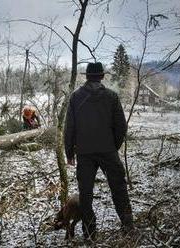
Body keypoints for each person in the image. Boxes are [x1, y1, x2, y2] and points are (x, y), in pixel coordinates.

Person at [64, 62, 134, 240]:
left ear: (86, 76)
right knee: (119, 188)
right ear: (102, 77)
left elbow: (69, 127)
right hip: (107, 150)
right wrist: (112, 146)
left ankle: (90, 233)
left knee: (85, 194)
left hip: (84, 153)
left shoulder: (75, 97)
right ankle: (128, 226)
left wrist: (69, 153)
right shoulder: (112, 97)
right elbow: (121, 127)